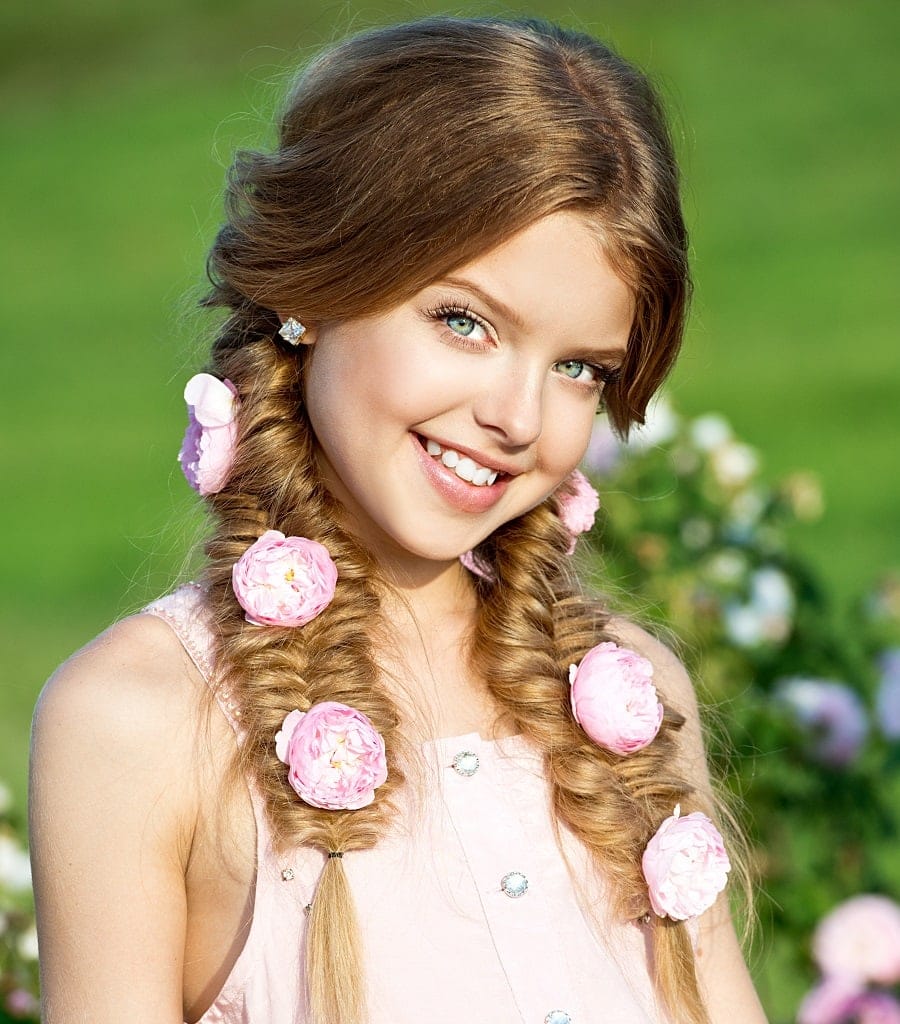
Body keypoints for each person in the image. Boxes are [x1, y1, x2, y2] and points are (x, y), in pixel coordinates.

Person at [29, 15, 768, 1024]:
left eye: (577, 368)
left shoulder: (629, 708)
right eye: (464, 320)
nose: (514, 416)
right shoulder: (144, 720)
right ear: (314, 287)